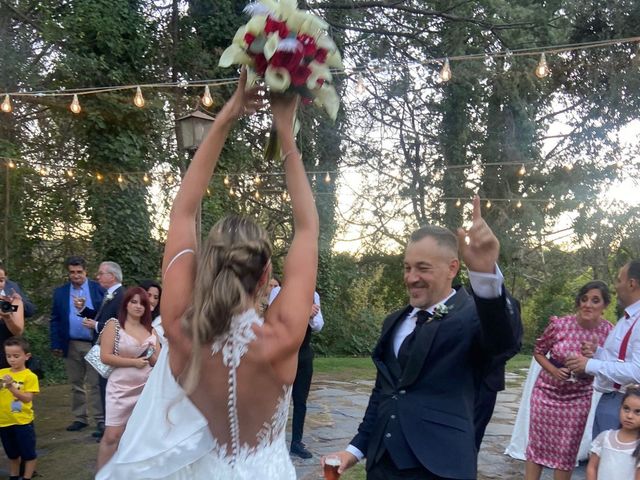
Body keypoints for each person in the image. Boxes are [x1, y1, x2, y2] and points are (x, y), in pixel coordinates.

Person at [96, 69, 318, 479]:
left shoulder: (181, 328)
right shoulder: (284, 336)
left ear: (207, 265)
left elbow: (183, 210)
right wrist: (285, 133)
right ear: (267, 271)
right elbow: (308, 229)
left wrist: (227, 114)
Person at [323, 197, 521, 480]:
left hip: (440, 468)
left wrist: (485, 275)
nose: (411, 277)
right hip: (381, 466)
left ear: (452, 268)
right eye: (407, 267)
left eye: (423, 268)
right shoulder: (394, 321)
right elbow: (385, 391)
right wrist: (354, 450)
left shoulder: (472, 316)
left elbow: (503, 342)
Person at [525, 281, 614, 480]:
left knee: (566, 450)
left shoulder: (609, 332)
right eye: (584, 299)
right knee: (537, 445)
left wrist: (594, 357)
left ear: (605, 306)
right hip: (545, 394)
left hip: (578, 399)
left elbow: (612, 364)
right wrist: (553, 371)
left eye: (595, 300)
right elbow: (539, 351)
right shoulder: (559, 325)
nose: (588, 304)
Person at [567, 260, 640, 438]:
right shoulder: (628, 318)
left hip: (624, 404)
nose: (616, 286)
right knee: (600, 458)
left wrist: (589, 365)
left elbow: (637, 370)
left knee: (612, 462)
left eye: (618, 280)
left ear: (631, 284)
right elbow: (620, 358)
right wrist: (597, 353)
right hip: (611, 399)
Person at [96, 286, 159, 469]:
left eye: (142, 303)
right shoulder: (114, 325)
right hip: (120, 387)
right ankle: (103, 474)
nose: (138, 306)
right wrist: (133, 362)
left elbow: (158, 361)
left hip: (146, 387)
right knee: (112, 435)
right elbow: (105, 356)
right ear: (126, 304)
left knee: (140, 436)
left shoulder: (151, 330)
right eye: (134, 301)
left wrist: (152, 355)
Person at [50, 255, 105, 433]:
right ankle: (80, 417)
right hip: (71, 343)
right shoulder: (61, 292)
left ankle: (100, 418)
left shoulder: (97, 289)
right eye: (72, 272)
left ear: (86, 271)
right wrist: (56, 343)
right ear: (68, 273)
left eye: (79, 272)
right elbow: (55, 319)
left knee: (95, 383)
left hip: (93, 343)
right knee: (76, 383)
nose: (76, 275)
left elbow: (105, 314)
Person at [269, 285, 324, 458]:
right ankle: (271, 441)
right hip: (284, 353)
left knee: (301, 400)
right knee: (276, 399)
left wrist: (311, 316)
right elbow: (274, 320)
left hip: (304, 353)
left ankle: (296, 443)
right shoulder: (278, 292)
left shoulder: (314, 295)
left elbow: (318, 326)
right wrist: (303, 312)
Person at [78, 260, 125, 439]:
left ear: (111, 276)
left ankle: (110, 428)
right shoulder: (109, 294)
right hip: (101, 349)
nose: (97, 277)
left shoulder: (121, 296)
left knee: (109, 389)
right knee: (103, 387)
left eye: (100, 273)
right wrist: (83, 310)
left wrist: (96, 325)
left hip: (112, 351)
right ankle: (107, 425)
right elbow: (101, 315)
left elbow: (121, 325)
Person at [474, 296, 522, 450]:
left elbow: (516, 343)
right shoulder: (465, 296)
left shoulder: (513, 303)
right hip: (458, 381)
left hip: (490, 379)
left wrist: (492, 363)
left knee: (476, 433)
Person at [0, 337, 40, 480]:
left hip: (22, 422)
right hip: (4, 422)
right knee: (12, 454)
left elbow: (27, 398)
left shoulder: (30, 376)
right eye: (8, 356)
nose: (12, 359)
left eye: (16, 356)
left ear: (26, 356)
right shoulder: (2, 373)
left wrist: (11, 387)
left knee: (28, 453)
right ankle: (14, 476)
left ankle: (27, 477)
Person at [586, 384, 640, 479]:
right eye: (626, 409)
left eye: (637, 412)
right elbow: (592, 467)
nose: (629, 416)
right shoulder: (605, 437)